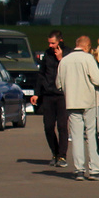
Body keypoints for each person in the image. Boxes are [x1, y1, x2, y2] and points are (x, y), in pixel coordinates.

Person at [57, 35, 99, 181]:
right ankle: (94, 169)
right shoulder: (88, 59)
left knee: (76, 136)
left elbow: (58, 84)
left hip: (72, 101)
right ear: (87, 46)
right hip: (89, 101)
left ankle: (79, 169)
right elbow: (98, 80)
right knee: (91, 134)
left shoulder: (64, 60)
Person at [32, 30, 69, 167]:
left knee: (62, 126)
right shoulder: (47, 54)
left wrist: (61, 59)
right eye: (49, 43)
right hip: (48, 94)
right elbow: (41, 74)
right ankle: (54, 152)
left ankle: (62, 156)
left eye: (53, 43)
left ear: (60, 41)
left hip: (62, 95)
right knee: (48, 126)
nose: (51, 45)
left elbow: (69, 73)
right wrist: (37, 93)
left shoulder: (68, 54)